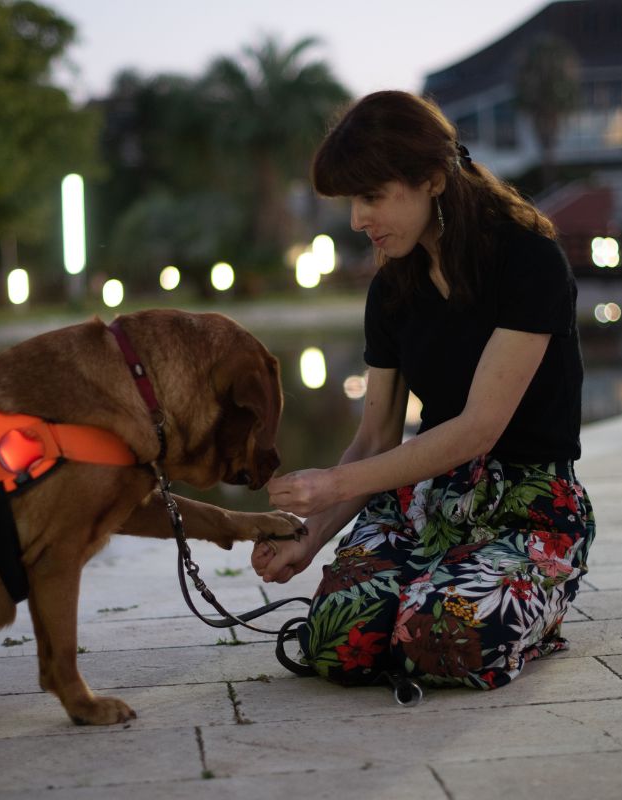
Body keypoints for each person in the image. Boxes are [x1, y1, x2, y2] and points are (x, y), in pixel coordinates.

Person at [251, 91, 595, 691]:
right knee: (336, 640)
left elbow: (479, 428)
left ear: (433, 179)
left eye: (372, 197)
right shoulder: (392, 289)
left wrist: (331, 484)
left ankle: (535, 606)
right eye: (353, 202)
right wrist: (307, 540)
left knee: (443, 635)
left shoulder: (527, 261)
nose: (359, 219)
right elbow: (376, 436)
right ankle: (430, 596)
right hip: (426, 501)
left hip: (525, 506)